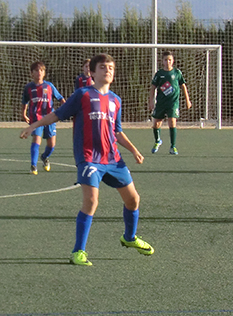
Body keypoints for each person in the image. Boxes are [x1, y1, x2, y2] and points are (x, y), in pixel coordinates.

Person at [20, 53, 153, 267]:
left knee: (133, 200)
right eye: (102, 67)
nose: (107, 70)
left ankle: (129, 238)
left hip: (113, 159)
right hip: (89, 158)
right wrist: (33, 126)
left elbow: (117, 131)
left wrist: (134, 150)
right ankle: (78, 251)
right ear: (92, 72)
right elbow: (58, 114)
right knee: (91, 202)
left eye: (110, 67)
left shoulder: (115, 100)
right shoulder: (82, 95)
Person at [21, 61, 65, 174]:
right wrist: (23, 113)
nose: (39, 72)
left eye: (41, 70)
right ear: (32, 73)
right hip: (36, 118)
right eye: (36, 70)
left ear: (44, 73)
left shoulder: (49, 86)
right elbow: (24, 101)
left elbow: (60, 98)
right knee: (36, 139)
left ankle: (45, 157)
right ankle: (33, 166)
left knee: (51, 145)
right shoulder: (28, 88)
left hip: (50, 117)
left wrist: (65, 108)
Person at [148, 50, 191, 155]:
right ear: (162, 61)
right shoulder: (159, 74)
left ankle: (173, 146)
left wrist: (187, 100)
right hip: (161, 103)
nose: (168, 62)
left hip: (173, 103)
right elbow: (153, 88)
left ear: (173, 61)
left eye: (170, 60)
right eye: (166, 60)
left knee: (172, 122)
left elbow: (183, 86)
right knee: (156, 124)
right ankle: (158, 141)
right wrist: (151, 101)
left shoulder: (177, 73)